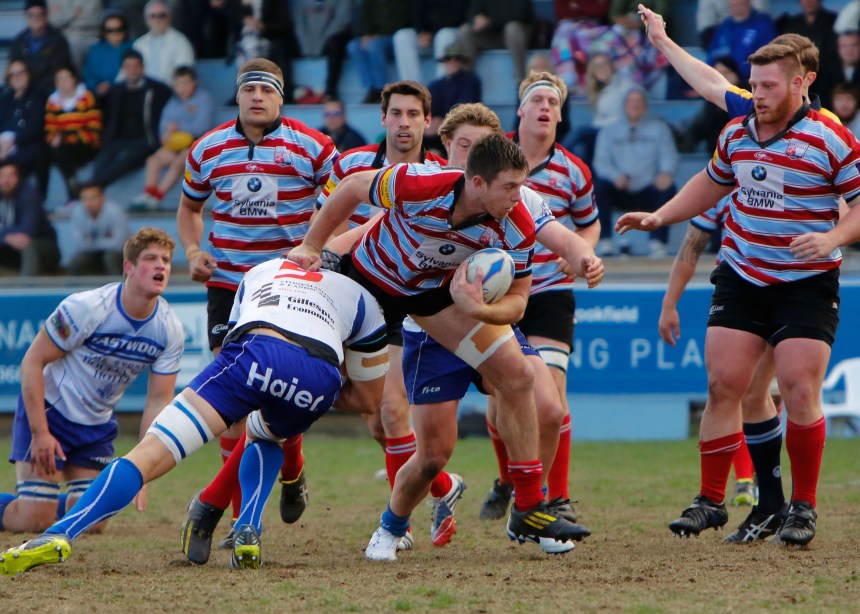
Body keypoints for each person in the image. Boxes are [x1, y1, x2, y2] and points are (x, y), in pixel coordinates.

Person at [288, 132, 601, 560]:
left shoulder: (517, 222)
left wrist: (479, 308)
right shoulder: (422, 183)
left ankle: (528, 506)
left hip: (432, 300)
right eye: (509, 187)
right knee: (405, 436)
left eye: (520, 185)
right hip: (365, 282)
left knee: (519, 375)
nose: (519, 196)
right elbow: (352, 187)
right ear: (476, 182)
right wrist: (311, 244)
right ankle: (382, 520)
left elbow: (520, 300)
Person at [0, 256, 389, 574]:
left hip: (255, 351)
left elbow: (238, 341)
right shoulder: (364, 301)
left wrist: (261, 382)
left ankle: (60, 533)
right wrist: (313, 386)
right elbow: (368, 401)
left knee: (149, 453)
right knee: (267, 434)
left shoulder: (265, 268)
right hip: (316, 376)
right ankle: (248, 527)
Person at [616, 42, 860, 546]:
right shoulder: (738, 130)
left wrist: (833, 238)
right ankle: (711, 500)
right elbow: (709, 183)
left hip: (806, 282)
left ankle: (804, 508)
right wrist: (661, 215)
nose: (757, 94)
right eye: (754, 84)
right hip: (743, 275)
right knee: (724, 384)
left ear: (801, 83)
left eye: (769, 85)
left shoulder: (830, 138)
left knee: (796, 387)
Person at [176, 57, 337, 552]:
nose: (258, 97)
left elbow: (343, 204)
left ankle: (291, 468)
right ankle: (241, 519)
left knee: (279, 396)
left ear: (281, 97)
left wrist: (321, 253)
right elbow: (189, 208)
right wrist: (193, 250)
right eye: (250, 90)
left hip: (287, 290)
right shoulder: (207, 149)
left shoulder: (314, 148)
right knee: (232, 407)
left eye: (268, 89)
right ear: (239, 96)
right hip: (228, 288)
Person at [0, 227, 182, 536]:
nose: (161, 266)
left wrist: (144, 467)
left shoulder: (169, 329)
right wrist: (40, 432)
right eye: (151, 258)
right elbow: (32, 362)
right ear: (129, 267)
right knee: (34, 521)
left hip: (95, 427)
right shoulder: (87, 308)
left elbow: (158, 401)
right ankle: (36, 503)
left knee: (93, 523)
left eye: (165, 259)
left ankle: (45, 500)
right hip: (50, 414)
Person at [480, 71, 600, 524]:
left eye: (554, 100)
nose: (546, 106)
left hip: (549, 291)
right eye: (538, 99)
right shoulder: (491, 157)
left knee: (552, 400)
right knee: (498, 399)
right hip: (498, 293)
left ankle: (557, 497)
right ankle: (509, 480)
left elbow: (590, 223)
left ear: (560, 115)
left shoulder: (574, 170)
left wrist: (581, 250)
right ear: (521, 110)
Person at [593, 86, 678, 257]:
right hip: (619, 186)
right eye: (631, 101)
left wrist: (666, 173)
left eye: (639, 101)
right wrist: (614, 176)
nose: (635, 105)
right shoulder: (609, 130)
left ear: (645, 105)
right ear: (624, 105)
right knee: (598, 188)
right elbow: (600, 161)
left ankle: (658, 243)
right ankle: (605, 242)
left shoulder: (659, 128)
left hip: (649, 186)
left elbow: (669, 154)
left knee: (669, 188)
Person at [84, 49, 171, 188]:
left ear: (143, 67)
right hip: (119, 139)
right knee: (102, 159)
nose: (132, 70)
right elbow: (104, 113)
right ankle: (93, 187)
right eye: (128, 67)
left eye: (136, 66)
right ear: (123, 69)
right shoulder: (115, 90)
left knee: (125, 159)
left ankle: (92, 187)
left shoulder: (157, 90)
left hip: (145, 139)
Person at [131, 66, 214, 211]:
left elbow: (202, 127)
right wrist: (167, 135)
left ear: (194, 83)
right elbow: (164, 129)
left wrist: (178, 130)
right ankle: (148, 194)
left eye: (186, 83)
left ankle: (157, 197)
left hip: (198, 145)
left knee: (179, 161)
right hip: (176, 145)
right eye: (179, 84)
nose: (182, 88)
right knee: (153, 160)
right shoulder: (172, 103)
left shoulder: (203, 99)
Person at [44, 65, 101, 201]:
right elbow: (50, 128)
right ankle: (45, 197)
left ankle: (73, 193)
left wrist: (68, 137)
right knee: (46, 153)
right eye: (59, 79)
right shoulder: (52, 102)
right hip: (64, 146)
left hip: (87, 144)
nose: (62, 82)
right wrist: (54, 138)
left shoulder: (87, 97)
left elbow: (94, 127)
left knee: (63, 151)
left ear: (74, 79)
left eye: (66, 78)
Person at [0, 161, 60, 276]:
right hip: (9, 250)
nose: (6, 181)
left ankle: (26, 290)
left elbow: (28, 229)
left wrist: (4, 235)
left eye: (11, 176)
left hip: (44, 248)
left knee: (26, 243)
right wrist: (5, 237)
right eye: (2, 176)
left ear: (18, 178)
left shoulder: (29, 194)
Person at [346, 0, 411, 104]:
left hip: (394, 37)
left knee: (373, 45)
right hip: (374, 37)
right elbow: (365, 18)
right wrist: (366, 34)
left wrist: (378, 35)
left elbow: (402, 21)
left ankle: (382, 89)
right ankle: (371, 87)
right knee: (353, 46)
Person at [0, 60, 49, 196]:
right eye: (13, 75)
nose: (17, 77)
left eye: (20, 73)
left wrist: (12, 142)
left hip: (26, 145)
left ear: (28, 74)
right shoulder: (5, 98)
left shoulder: (38, 96)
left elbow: (36, 125)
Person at [457, 0, 534, 86]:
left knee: (512, 29)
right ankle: (467, 83)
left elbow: (521, 14)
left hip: (515, 36)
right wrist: (476, 20)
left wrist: (491, 21)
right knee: (465, 31)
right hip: (491, 36)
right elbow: (471, 13)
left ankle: (521, 82)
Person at [9, 0, 72, 96]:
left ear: (46, 16)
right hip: (25, 91)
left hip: (50, 92)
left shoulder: (58, 40)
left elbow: (58, 70)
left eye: (39, 14)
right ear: (26, 16)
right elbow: (13, 67)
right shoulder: (19, 40)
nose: (36, 18)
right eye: (31, 15)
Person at [393, 0, 467, 82]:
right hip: (426, 35)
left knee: (445, 35)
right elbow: (415, 11)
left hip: (451, 30)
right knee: (402, 36)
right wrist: (421, 31)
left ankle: (441, 88)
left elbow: (458, 14)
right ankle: (412, 89)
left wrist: (432, 33)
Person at [292, 0, 353, 100]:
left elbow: (342, 21)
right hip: (307, 42)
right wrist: (306, 45)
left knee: (336, 45)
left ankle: (330, 92)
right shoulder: (300, 2)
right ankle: (292, 94)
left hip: (331, 38)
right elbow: (298, 23)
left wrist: (322, 42)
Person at [67, 182, 129, 276]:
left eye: (92, 198)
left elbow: (117, 244)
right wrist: (103, 242)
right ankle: (73, 289)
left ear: (102, 198)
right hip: (91, 253)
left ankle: (118, 287)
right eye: (84, 199)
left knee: (109, 258)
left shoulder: (115, 212)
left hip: (115, 253)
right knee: (77, 261)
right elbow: (79, 243)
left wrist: (92, 242)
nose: (89, 203)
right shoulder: (77, 212)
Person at [707, 0, 776, 82]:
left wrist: (735, 73)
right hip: (720, 75)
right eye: (733, 5)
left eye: (740, 4)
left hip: (748, 79)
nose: (736, 8)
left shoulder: (764, 25)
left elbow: (767, 58)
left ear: (749, 2)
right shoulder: (725, 26)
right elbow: (712, 54)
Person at [132, 1, 195, 85]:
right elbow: (126, 74)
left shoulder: (181, 42)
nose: (157, 19)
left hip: (171, 93)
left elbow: (185, 77)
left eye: (162, 15)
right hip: (141, 93)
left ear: (169, 17)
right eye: (153, 16)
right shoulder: (138, 44)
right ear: (146, 20)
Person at [82, 13, 133, 103]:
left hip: (124, 94)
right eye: (110, 30)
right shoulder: (95, 49)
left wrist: (111, 86)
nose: (114, 33)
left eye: (118, 29)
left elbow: (132, 72)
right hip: (97, 94)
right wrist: (96, 86)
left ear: (125, 30)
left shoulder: (133, 47)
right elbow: (88, 74)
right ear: (104, 32)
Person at [428, 43, 483, 125]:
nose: (453, 61)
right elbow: (429, 108)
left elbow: (464, 107)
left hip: (463, 124)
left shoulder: (470, 81)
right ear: (444, 61)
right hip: (439, 127)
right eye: (449, 58)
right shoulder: (436, 85)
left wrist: (442, 122)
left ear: (461, 61)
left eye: (457, 58)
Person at [46, 0, 101, 68]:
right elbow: (53, 20)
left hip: (94, 34)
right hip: (69, 36)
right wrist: (73, 13)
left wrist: (64, 13)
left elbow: (90, 15)